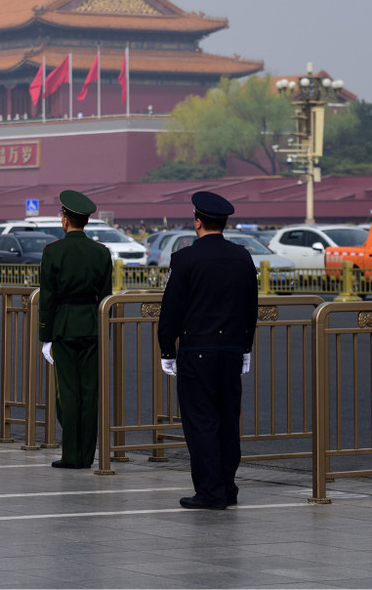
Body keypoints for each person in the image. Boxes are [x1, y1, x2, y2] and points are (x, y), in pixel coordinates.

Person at [157, 191, 258, 509]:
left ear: (197, 222)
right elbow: (250, 306)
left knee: (201, 422)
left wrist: (167, 349)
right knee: (228, 420)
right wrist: (245, 346)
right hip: (231, 350)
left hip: (197, 350)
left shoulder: (185, 258)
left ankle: (210, 491)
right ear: (224, 223)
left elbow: (171, 309)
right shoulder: (242, 257)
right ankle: (227, 487)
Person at [39, 190, 113, 469]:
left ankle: (72, 455)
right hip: (93, 325)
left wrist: (45, 336)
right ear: (86, 221)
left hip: (64, 327)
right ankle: (87, 455)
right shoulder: (101, 252)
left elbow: (48, 298)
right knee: (90, 393)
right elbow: (106, 297)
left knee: (68, 394)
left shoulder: (53, 251)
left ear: (65, 219)